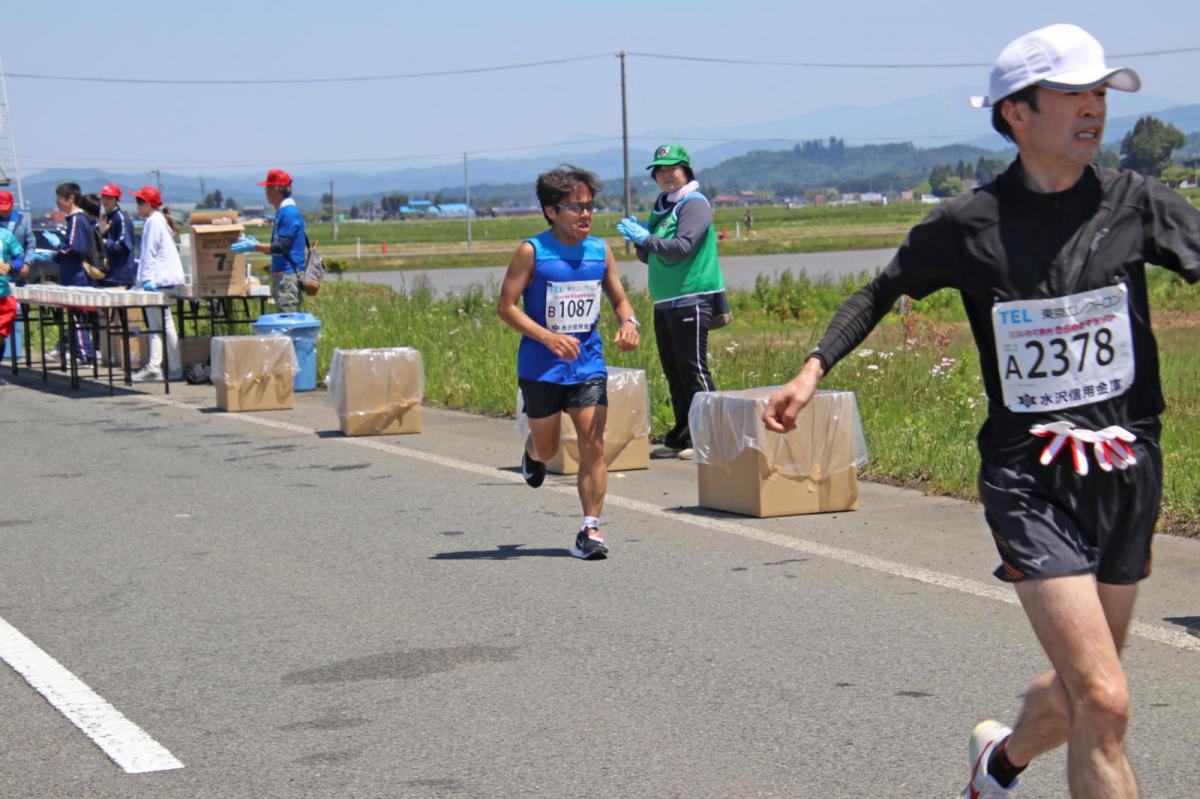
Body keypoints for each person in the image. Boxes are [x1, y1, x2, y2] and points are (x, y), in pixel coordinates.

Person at [762, 24, 1198, 799]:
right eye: (1073, 93)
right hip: (1027, 477)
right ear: (1016, 114)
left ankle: (997, 763)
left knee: (1081, 692)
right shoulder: (970, 224)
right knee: (1104, 699)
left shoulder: (1139, 203)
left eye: (1101, 92)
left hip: (1127, 468)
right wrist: (810, 369)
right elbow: (880, 291)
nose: (1094, 108)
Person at [498, 165, 640, 560]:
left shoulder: (600, 251)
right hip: (541, 368)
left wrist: (629, 322)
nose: (586, 215)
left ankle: (589, 529)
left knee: (593, 443)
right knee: (547, 450)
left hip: (587, 364)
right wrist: (547, 337)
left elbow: (620, 300)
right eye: (575, 207)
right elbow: (506, 308)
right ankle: (531, 450)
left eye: (590, 206)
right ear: (550, 211)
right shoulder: (532, 252)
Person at [617, 144, 727, 459]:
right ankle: (683, 435)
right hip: (665, 300)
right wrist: (640, 241)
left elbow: (681, 247)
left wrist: (645, 239)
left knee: (693, 368)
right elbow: (649, 254)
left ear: (686, 170)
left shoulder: (694, 204)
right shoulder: (663, 205)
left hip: (691, 297)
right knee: (674, 370)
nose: (666, 176)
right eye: (660, 171)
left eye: (672, 169)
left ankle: (711, 436)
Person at [231, 168, 305, 312]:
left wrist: (255, 246)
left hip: (288, 276)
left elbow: (281, 247)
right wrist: (258, 244)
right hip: (282, 275)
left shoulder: (289, 213)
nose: (266, 192)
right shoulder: (282, 212)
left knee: (287, 318)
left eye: (267, 188)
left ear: (275, 190)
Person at [130, 186, 183, 382]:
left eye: (139, 203)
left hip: (158, 280)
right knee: (158, 324)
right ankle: (158, 365)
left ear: (148, 204)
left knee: (161, 324)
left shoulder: (153, 221)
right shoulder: (159, 220)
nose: (137, 207)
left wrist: (145, 279)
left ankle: (165, 366)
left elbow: (148, 254)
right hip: (163, 279)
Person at [47, 182, 97, 363]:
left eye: (60, 199)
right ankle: (79, 351)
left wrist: (58, 252)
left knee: (77, 317)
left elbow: (75, 247)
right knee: (76, 317)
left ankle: (84, 354)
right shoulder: (77, 219)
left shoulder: (76, 219)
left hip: (76, 275)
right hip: (72, 274)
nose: (58, 203)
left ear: (71, 199)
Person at [97, 184, 136, 288]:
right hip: (107, 275)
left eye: (109, 198)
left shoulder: (121, 218)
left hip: (120, 276)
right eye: (103, 197)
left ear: (116, 200)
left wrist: (104, 241)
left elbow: (124, 245)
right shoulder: (104, 217)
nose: (105, 201)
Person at [0, 222, 25, 383]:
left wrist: (10, 266)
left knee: (1, 336)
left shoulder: (6, 236)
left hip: (2, 292)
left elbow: (19, 258)